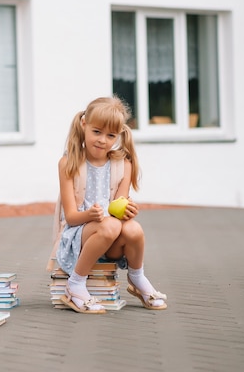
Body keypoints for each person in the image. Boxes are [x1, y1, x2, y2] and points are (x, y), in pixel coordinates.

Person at [53, 96, 167, 314]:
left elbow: (118, 211)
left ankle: (137, 277)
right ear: (84, 124)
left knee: (134, 228)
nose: (103, 140)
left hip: (111, 238)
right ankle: (75, 284)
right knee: (111, 226)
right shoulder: (69, 163)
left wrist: (127, 211)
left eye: (110, 135)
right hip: (79, 237)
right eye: (97, 132)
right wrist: (90, 215)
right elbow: (70, 217)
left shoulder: (123, 164)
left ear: (118, 135)